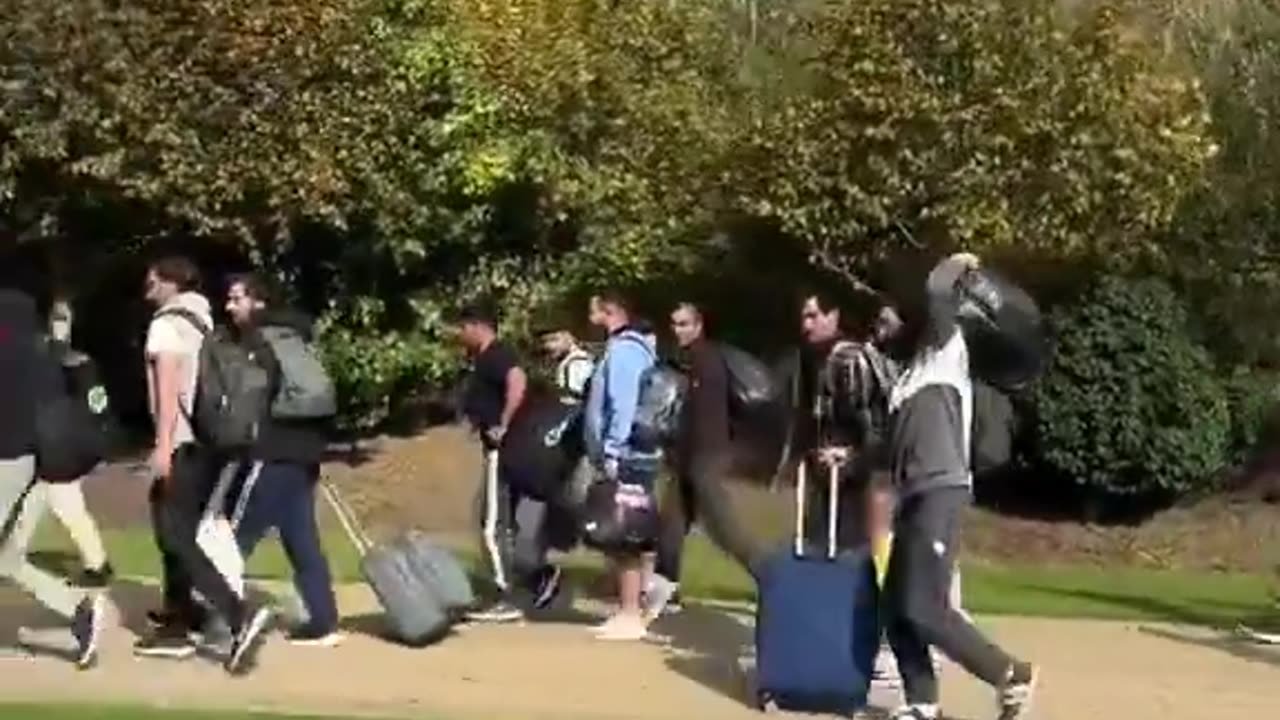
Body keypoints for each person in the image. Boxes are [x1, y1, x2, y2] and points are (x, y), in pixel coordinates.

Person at [882, 252, 1036, 720]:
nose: (878, 324)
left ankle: (1010, 673)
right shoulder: (904, 378)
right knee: (896, 608)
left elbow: (939, 291)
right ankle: (923, 705)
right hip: (912, 494)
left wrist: (956, 264)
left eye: (885, 315)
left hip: (941, 487)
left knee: (925, 606)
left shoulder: (946, 348)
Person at [134, 256, 273, 675]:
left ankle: (235, 615)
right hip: (211, 441)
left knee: (176, 535)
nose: (148, 283)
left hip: (182, 443)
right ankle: (180, 617)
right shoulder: (205, 322)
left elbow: (169, 384)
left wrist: (162, 446)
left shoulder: (165, 325)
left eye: (153, 278)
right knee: (171, 526)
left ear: (170, 283)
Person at [221, 274, 341, 646]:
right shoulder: (295, 338)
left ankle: (212, 616)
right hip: (305, 453)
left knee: (232, 534)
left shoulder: (259, 341)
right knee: (301, 538)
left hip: (271, 452)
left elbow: (248, 401)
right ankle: (323, 621)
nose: (229, 306)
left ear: (258, 302)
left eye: (236, 298)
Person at [0, 281, 105, 669]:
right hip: (41, 465)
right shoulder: (46, 356)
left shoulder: (14, 356)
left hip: (11, 463)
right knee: (7, 559)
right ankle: (79, 611)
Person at [582, 291, 662, 641]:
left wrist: (613, 449)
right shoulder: (639, 348)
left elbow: (623, 403)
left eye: (594, 306)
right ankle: (638, 603)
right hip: (639, 452)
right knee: (636, 528)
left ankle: (630, 613)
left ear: (610, 310)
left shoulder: (624, 350)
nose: (589, 313)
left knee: (624, 530)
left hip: (628, 452)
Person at [649, 302, 737, 616]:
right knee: (671, 523)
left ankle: (766, 573)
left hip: (707, 457)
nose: (678, 330)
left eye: (685, 324)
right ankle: (662, 590)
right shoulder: (687, 362)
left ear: (699, 325)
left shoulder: (708, 360)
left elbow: (706, 417)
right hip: (688, 457)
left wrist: (696, 458)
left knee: (725, 529)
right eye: (675, 324)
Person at [456, 305, 531, 622]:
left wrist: (503, 423)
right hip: (494, 447)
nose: (459, 334)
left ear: (477, 325)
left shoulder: (498, 354)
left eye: (462, 327)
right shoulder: (484, 358)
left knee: (491, 523)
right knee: (493, 519)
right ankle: (509, 585)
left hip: (501, 449)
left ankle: (504, 595)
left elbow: (517, 381)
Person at [40, 301, 114, 587]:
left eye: (63, 319)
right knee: (65, 504)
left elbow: (97, 404)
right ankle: (97, 563)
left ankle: (97, 564)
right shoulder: (75, 361)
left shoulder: (73, 362)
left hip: (58, 446)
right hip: (56, 444)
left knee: (65, 503)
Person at [537, 324, 595, 404]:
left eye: (554, 339)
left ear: (570, 338)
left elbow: (574, 402)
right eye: (544, 341)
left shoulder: (576, 363)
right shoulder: (571, 361)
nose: (548, 346)